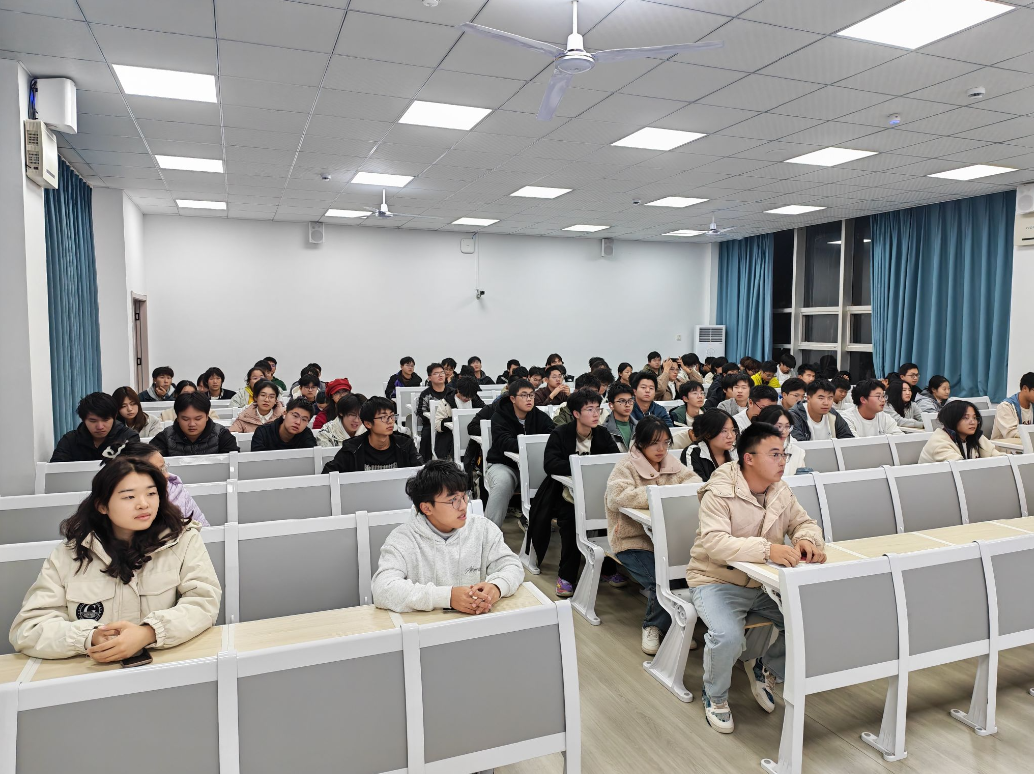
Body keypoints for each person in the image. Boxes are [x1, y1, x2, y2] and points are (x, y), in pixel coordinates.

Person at [9, 457, 221, 660]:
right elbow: (29, 628)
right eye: (129, 497)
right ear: (102, 505)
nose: (143, 504)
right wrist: (89, 637)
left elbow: (203, 602)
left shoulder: (182, 540)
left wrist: (149, 632)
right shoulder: (69, 554)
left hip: (165, 665)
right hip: (92, 670)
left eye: (151, 493)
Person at [688, 422, 826, 733]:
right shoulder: (719, 491)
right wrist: (768, 549)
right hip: (716, 581)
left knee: (808, 622)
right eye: (774, 454)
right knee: (728, 636)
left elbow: (804, 523)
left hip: (762, 582)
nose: (782, 461)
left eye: (784, 454)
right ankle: (715, 696)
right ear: (748, 458)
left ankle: (767, 668)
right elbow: (715, 543)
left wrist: (806, 540)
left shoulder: (780, 490)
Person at [371, 460, 523, 613]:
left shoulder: (483, 529)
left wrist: (497, 587)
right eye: (453, 500)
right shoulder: (402, 540)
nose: (463, 506)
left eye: (464, 496)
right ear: (426, 508)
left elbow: (512, 565)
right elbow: (382, 588)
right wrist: (447, 597)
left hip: (476, 622)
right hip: (427, 625)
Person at [605, 416, 699, 655]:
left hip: (667, 541)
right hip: (631, 539)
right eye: (655, 443)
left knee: (683, 577)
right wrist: (659, 495)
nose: (661, 449)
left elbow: (695, 484)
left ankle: (675, 627)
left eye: (666, 443)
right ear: (640, 443)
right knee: (660, 580)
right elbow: (617, 497)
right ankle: (653, 627)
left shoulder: (671, 463)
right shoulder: (627, 465)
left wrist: (662, 493)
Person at [528, 389, 623, 598]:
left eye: (598, 409)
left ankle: (606, 568)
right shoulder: (560, 433)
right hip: (562, 493)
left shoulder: (601, 433)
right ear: (576, 413)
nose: (596, 414)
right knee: (571, 520)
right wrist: (582, 466)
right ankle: (566, 576)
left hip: (595, 493)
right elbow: (550, 464)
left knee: (611, 516)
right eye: (589, 409)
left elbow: (614, 462)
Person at [484, 378, 555, 528]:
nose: (529, 399)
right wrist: (530, 444)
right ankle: (489, 531)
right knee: (502, 482)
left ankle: (536, 525)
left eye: (531, 395)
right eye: (524, 395)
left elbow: (553, 436)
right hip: (505, 465)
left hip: (534, 466)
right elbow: (504, 442)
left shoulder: (540, 416)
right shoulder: (499, 417)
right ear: (512, 398)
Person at [100, 442, 209, 527]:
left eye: (164, 467)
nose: (166, 475)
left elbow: (202, 529)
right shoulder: (115, 501)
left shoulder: (176, 490)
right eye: (158, 471)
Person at [322, 397, 422, 473]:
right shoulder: (352, 449)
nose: (390, 421)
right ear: (368, 424)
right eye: (383, 417)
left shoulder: (405, 444)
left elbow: (421, 473)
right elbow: (328, 474)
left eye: (392, 416)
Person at [51, 393, 141, 462]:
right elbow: (56, 471)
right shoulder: (69, 440)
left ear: (114, 417)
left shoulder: (128, 437)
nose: (100, 427)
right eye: (93, 421)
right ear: (83, 419)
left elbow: (136, 469)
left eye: (105, 420)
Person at [149, 392, 240, 456]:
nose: (192, 424)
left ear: (207, 416)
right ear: (177, 417)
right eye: (185, 419)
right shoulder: (164, 438)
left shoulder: (222, 435)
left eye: (198, 419)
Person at [919, 400, 1003, 463]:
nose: (973, 422)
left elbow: (997, 456)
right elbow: (961, 469)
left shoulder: (975, 436)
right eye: (966, 418)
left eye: (974, 418)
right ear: (952, 420)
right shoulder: (939, 443)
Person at [433, 376, 486, 460]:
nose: (467, 399)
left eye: (470, 397)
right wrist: (454, 419)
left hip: (471, 436)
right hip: (451, 437)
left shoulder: (476, 401)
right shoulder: (446, 402)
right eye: (465, 396)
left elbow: (485, 415)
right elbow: (438, 425)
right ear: (458, 390)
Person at [788, 379, 854, 441]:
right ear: (808, 398)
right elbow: (798, 445)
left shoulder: (832, 414)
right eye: (821, 398)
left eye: (830, 398)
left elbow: (848, 440)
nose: (826, 403)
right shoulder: (793, 416)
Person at [683, 410, 738, 481]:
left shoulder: (735, 451)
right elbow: (697, 485)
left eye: (733, 430)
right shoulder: (693, 452)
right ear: (708, 434)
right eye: (724, 431)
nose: (730, 436)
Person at [416, 363, 455, 460]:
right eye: (436, 373)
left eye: (442, 372)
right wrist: (433, 419)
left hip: (450, 423)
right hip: (430, 424)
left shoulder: (452, 392)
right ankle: (426, 462)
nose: (440, 375)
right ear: (429, 378)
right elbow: (421, 412)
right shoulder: (425, 394)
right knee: (427, 434)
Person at [251, 398, 317, 451]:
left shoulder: (306, 435)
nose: (298, 422)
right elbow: (257, 461)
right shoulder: (263, 432)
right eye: (295, 416)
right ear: (284, 414)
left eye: (304, 419)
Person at [756, 405, 805, 476]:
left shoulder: (797, 452)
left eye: (787, 426)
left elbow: (802, 480)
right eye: (779, 427)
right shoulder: (752, 451)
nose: (784, 432)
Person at [992, 372, 1034, 441]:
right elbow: (1011, 434)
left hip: (1026, 445)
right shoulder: (1005, 407)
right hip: (1006, 446)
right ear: (1025, 388)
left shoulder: (1032, 405)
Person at [604, 382, 637, 451]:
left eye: (630, 400)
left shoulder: (640, 427)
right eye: (622, 401)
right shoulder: (604, 430)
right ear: (611, 405)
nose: (627, 405)